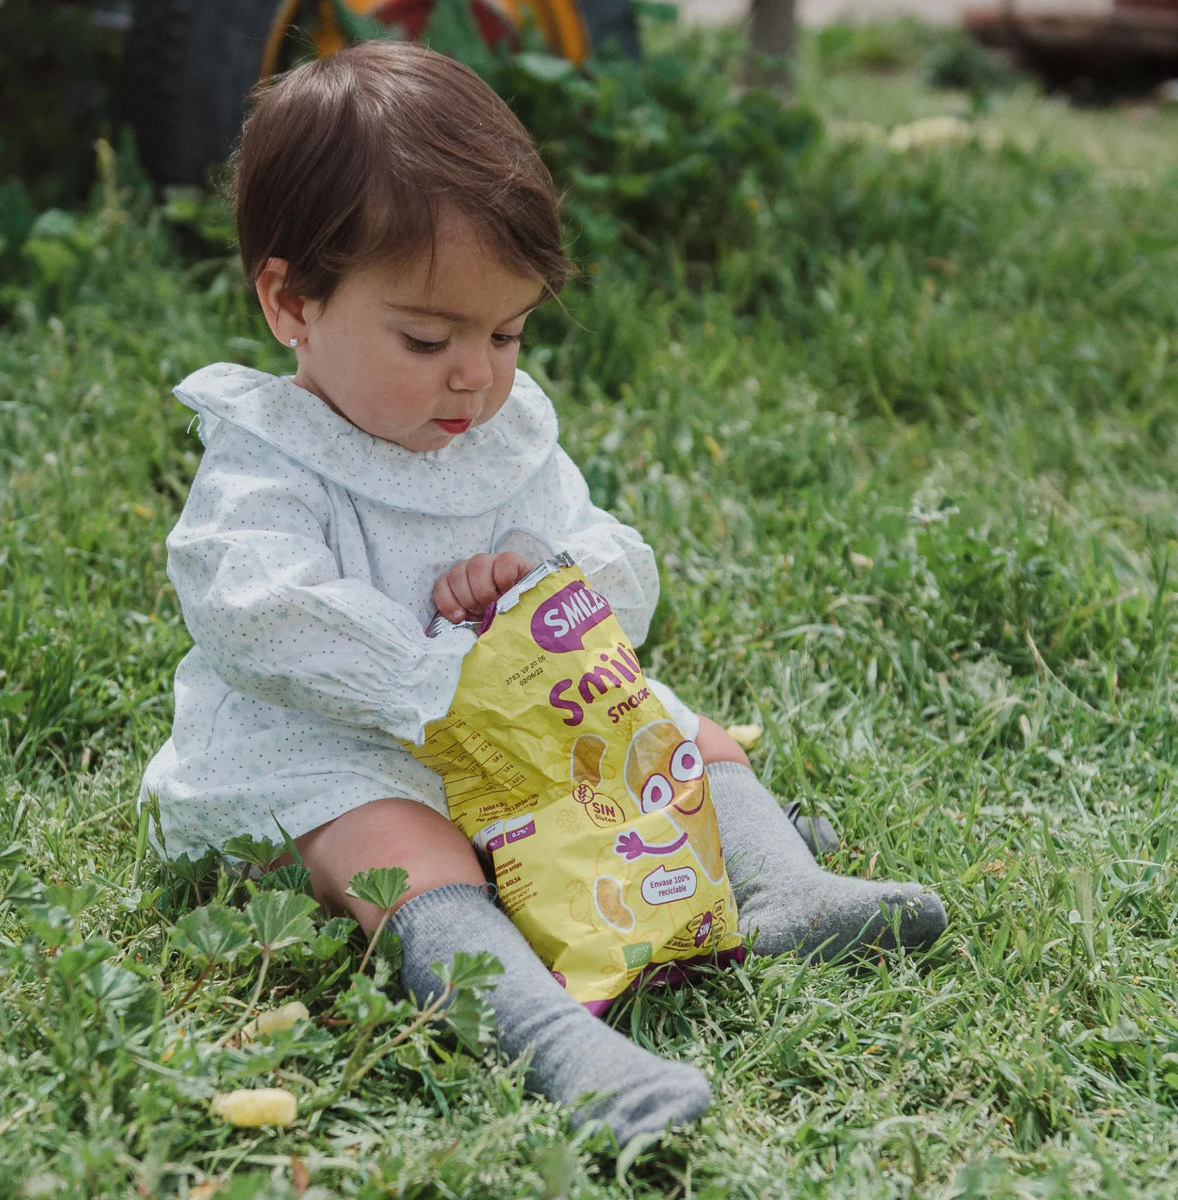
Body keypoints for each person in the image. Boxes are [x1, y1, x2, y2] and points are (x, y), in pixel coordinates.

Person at [141, 41, 947, 1145]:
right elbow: (260, 613)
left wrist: (540, 586)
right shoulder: (269, 456)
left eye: (508, 331)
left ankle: (782, 889)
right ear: (291, 301)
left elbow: (603, 553)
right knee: (400, 845)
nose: (476, 371)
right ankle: (554, 1042)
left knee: (683, 730)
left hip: (519, 734)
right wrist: (445, 667)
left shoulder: (502, 432)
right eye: (427, 337)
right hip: (330, 755)